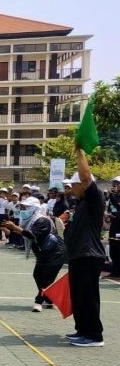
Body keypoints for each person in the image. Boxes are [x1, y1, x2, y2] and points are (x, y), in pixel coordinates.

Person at [64, 147, 106, 347]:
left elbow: (86, 176)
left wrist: (79, 151)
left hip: (88, 255)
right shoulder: (80, 203)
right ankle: (82, 330)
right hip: (78, 256)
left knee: (87, 296)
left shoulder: (94, 199)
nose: (72, 189)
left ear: (84, 185)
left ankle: (94, 335)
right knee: (78, 296)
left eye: (74, 185)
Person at [2, 197, 66, 312]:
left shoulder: (42, 220)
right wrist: (6, 229)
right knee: (37, 275)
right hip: (42, 253)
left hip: (56, 252)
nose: (22, 210)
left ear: (33, 208)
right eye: (21, 207)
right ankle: (49, 299)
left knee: (47, 279)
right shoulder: (26, 220)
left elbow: (31, 235)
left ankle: (38, 301)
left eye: (25, 207)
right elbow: (18, 233)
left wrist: (14, 227)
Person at [107, 176, 120, 278]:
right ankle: (115, 272)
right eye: (114, 184)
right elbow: (110, 209)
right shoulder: (113, 198)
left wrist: (115, 216)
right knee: (113, 249)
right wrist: (108, 216)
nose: (115, 186)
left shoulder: (114, 198)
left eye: (117, 184)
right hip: (114, 226)